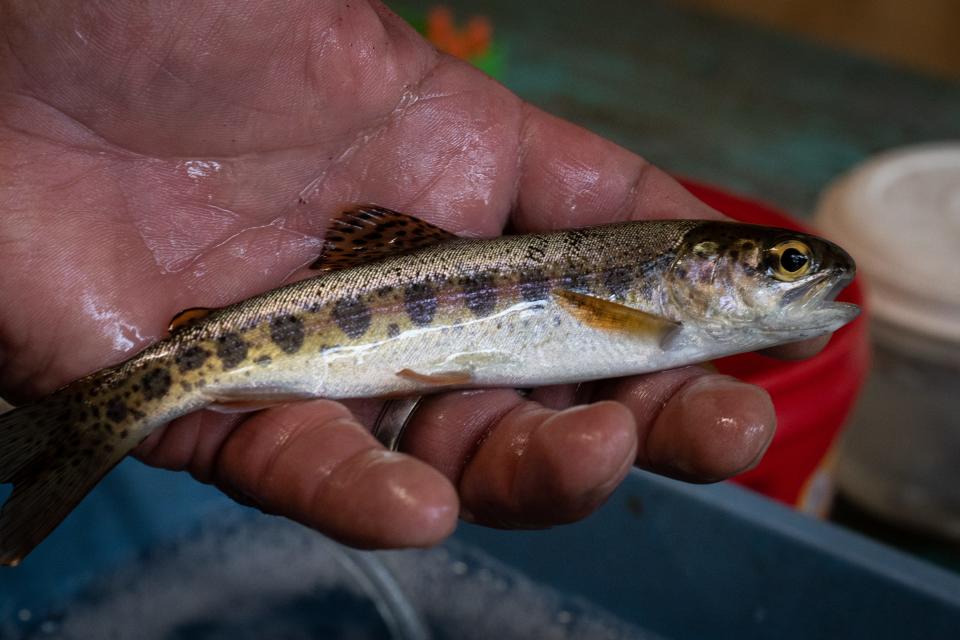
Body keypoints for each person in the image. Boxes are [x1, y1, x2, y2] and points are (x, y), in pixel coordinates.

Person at [0, 1, 824, 549]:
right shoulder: (656, 319)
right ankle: (89, 423)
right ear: (699, 268)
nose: (802, 279)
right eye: (786, 265)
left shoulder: (663, 318)